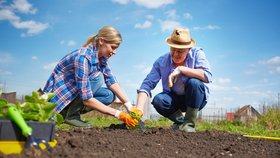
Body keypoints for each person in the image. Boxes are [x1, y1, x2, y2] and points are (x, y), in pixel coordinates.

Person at [43, 26, 143, 127]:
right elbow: (86, 99)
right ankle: (70, 115)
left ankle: (69, 113)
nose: (114, 52)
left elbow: (112, 81)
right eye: (112, 47)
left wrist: (129, 106)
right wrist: (119, 114)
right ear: (101, 41)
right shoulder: (83, 57)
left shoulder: (101, 59)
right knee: (98, 78)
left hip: (75, 94)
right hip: (60, 99)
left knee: (109, 95)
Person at [136, 27, 212, 132]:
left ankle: (189, 125)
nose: (176, 54)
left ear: (189, 49)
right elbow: (147, 84)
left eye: (180, 51)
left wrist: (181, 69)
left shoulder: (197, 54)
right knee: (159, 100)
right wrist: (138, 109)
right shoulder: (161, 62)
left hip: (196, 98)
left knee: (194, 82)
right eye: (173, 49)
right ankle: (181, 122)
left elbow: (207, 76)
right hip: (175, 100)